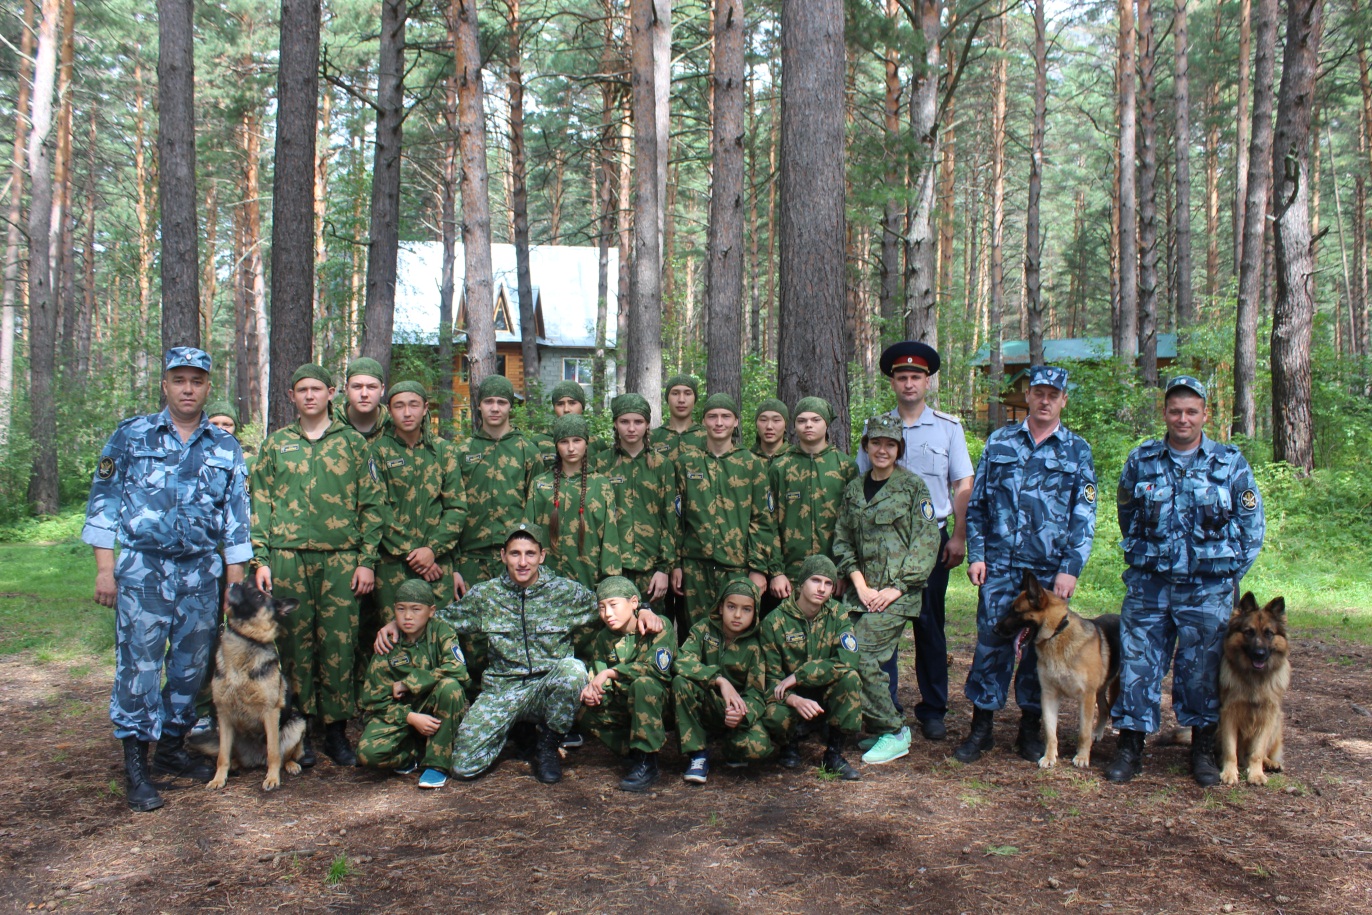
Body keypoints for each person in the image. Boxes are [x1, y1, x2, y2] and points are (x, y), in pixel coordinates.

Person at [82, 347, 252, 812]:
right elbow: (104, 504)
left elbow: (236, 520)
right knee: (138, 666)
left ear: (207, 387)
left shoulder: (224, 447)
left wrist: (233, 586)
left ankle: (172, 750)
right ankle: (136, 765)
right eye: (179, 380)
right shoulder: (132, 436)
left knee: (191, 666)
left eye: (196, 381)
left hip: (201, 572)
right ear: (165, 385)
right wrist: (104, 568)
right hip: (143, 569)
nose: (188, 389)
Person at [377, 523, 662, 784]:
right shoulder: (486, 596)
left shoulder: (564, 592)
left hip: (547, 687)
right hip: (502, 689)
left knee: (573, 670)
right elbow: (442, 619)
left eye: (529, 553)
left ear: (542, 556)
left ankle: (548, 744)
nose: (522, 562)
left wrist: (644, 609)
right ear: (503, 556)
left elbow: (610, 604)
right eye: (515, 554)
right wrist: (397, 623)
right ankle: (518, 730)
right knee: (464, 767)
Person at [1106, 376, 1266, 786]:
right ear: (1165, 414)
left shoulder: (1229, 463)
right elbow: (1127, 515)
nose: (1183, 418)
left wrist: (1226, 577)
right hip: (1150, 585)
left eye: (1191, 411)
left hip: (1206, 590)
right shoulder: (1141, 460)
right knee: (1139, 665)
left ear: (1204, 415)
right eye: (1175, 411)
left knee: (1201, 670)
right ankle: (1130, 746)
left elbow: (1251, 530)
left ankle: (1202, 750)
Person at [954, 365, 1098, 765]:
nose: (1045, 400)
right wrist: (977, 554)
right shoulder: (1000, 442)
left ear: (1063, 399)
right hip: (1000, 564)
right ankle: (981, 727)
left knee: (1042, 650)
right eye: (1039, 393)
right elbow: (978, 504)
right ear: (1028, 397)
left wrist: (1070, 567)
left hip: (1048, 572)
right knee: (991, 642)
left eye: (1054, 394)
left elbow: (1084, 514)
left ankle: (1031, 730)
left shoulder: (1076, 450)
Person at [251, 363, 385, 768]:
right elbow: (260, 504)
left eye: (317, 389)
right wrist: (261, 558)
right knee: (293, 646)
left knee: (339, 645)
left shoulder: (353, 444)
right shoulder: (276, 445)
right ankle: (301, 728)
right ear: (292, 396)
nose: (309, 396)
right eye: (301, 390)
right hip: (288, 558)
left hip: (341, 560)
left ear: (331, 393)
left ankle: (336, 730)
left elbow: (372, 505)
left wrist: (366, 561)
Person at [857, 342, 974, 741]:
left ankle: (934, 707)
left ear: (928, 381)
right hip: (881, 544)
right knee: (880, 623)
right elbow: (863, 487)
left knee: (929, 626)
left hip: (932, 540)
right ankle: (885, 704)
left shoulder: (948, 428)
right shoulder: (876, 427)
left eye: (916, 377)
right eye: (902, 377)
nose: (909, 383)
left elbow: (962, 483)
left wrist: (958, 535)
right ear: (892, 382)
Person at [832, 414, 941, 765]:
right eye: (876, 443)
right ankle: (878, 727)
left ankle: (894, 730)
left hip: (898, 595)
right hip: (861, 593)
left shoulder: (912, 488)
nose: (882, 449)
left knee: (860, 653)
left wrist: (895, 589)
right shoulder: (854, 489)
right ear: (866, 446)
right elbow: (843, 540)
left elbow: (926, 543)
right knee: (842, 651)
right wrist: (859, 585)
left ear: (898, 450)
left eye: (890, 444)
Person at [368, 381, 467, 660]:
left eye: (414, 405)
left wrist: (431, 550)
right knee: (394, 637)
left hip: (438, 564)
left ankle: (440, 695)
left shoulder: (444, 451)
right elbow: (377, 509)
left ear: (426, 409)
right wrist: (415, 555)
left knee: (439, 634)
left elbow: (456, 507)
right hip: (393, 565)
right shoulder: (377, 452)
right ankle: (394, 697)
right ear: (389, 410)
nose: (407, 412)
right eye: (399, 406)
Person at [673, 393, 781, 626]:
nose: (719, 422)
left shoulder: (752, 464)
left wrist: (759, 568)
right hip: (695, 567)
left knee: (737, 632)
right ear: (703, 422)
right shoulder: (686, 462)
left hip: (737, 568)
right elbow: (676, 519)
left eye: (725, 416)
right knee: (696, 632)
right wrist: (676, 565)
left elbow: (762, 521)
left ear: (736, 422)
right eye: (712, 416)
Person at [356, 579, 471, 789]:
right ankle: (411, 756)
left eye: (416, 609)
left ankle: (437, 764)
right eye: (401, 609)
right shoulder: (388, 643)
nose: (408, 616)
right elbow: (374, 701)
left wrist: (409, 683)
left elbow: (457, 668)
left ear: (431, 611)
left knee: (451, 688)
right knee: (368, 753)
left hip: (434, 707)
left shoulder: (441, 632)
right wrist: (409, 717)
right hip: (402, 715)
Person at [759, 555, 862, 780]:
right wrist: (793, 699)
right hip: (789, 697)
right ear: (801, 582)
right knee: (774, 714)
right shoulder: (774, 622)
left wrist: (800, 675)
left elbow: (848, 661)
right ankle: (789, 744)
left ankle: (834, 753)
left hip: (824, 694)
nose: (822, 589)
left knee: (851, 678)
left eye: (828, 584)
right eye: (816, 580)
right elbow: (770, 680)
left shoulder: (837, 614)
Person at [577, 576, 677, 792]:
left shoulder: (658, 626)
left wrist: (611, 673)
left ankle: (647, 761)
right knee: (584, 709)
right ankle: (632, 751)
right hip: (624, 705)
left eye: (613, 605)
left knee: (643, 685)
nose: (607, 614)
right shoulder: (604, 637)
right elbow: (598, 673)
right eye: (602, 608)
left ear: (633, 603)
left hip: (658, 705)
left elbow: (656, 669)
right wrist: (594, 693)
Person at [673, 578, 774, 783]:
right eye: (731, 607)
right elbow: (682, 662)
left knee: (758, 747)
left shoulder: (757, 644)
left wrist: (741, 714)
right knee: (680, 683)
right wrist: (718, 680)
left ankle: (730, 745)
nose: (737, 615)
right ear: (720, 607)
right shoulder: (703, 630)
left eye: (746, 609)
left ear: (755, 613)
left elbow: (757, 693)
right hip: (705, 703)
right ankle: (697, 754)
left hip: (735, 710)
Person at [452, 374, 543, 598]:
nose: (495, 408)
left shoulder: (527, 451)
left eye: (501, 402)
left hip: (516, 561)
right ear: (479, 406)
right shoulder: (462, 452)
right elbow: (450, 509)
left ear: (510, 407)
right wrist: (453, 566)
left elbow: (538, 510)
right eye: (488, 401)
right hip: (471, 559)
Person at [592, 393, 680, 606]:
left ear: (648, 425)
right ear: (615, 424)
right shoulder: (601, 464)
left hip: (651, 570)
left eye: (638, 422)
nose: (631, 428)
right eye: (624, 421)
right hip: (612, 568)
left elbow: (670, 521)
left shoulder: (662, 465)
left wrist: (664, 569)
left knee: (655, 631)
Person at [767, 396, 855, 597]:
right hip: (790, 577)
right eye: (802, 420)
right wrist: (776, 571)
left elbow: (853, 524)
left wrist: (844, 572)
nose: (808, 425)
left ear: (826, 424)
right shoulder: (780, 467)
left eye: (816, 420)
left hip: (833, 575)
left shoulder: (845, 467)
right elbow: (768, 523)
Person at [523, 413, 623, 589]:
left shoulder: (600, 485)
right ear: (556, 445)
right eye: (564, 442)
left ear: (586, 443)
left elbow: (610, 538)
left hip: (587, 579)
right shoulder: (540, 484)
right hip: (544, 583)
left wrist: (611, 584)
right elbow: (528, 535)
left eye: (577, 440)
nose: (571, 448)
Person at [532, 380, 602, 468]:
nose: (566, 409)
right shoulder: (537, 443)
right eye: (560, 404)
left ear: (582, 406)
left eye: (572, 403)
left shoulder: (597, 443)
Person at [647, 374, 708, 459]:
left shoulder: (708, 438)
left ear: (695, 398)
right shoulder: (651, 438)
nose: (681, 400)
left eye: (687, 393)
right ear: (667, 398)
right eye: (675, 393)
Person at [334, 356, 389, 440]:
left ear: (382, 390)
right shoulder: (330, 423)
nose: (364, 394)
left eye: (371, 387)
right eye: (357, 387)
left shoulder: (395, 425)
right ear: (346, 389)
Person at [750, 398, 792, 464]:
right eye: (763, 420)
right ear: (756, 424)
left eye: (776, 420)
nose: (769, 426)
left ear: (785, 425)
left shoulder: (797, 459)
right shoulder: (744, 459)